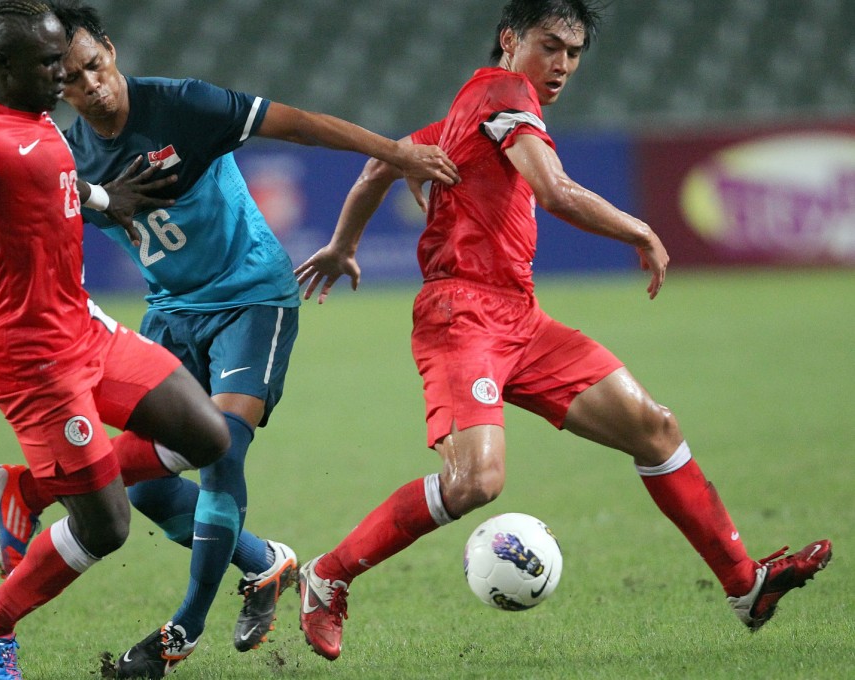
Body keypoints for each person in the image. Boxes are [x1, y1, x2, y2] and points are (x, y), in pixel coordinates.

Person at [293, 0, 832, 662]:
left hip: (519, 315)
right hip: (461, 317)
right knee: (475, 483)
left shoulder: (461, 117)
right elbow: (554, 190)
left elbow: (384, 165)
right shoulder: (504, 90)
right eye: (551, 47)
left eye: (574, 55)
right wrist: (640, 227)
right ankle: (327, 576)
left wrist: (344, 244)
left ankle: (746, 585)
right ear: (510, 38)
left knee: (653, 428)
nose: (563, 66)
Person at [0, 2, 460, 677]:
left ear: (112, 50)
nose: (92, 86)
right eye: (73, 79)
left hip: (250, 297)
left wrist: (395, 152)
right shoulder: (68, 154)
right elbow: (31, 257)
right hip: (171, 311)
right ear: (57, 85)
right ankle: (263, 563)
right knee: (148, 492)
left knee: (222, 450)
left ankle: (182, 630)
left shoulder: (185, 107)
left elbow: (300, 123)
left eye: (97, 67)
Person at [0, 3, 232, 678]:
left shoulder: (39, 117)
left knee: (207, 435)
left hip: (83, 328)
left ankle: (25, 490)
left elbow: (49, 181)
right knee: (106, 526)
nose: (63, 74)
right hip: (35, 361)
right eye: (49, 64)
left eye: (65, 60)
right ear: (6, 66)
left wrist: (108, 200)